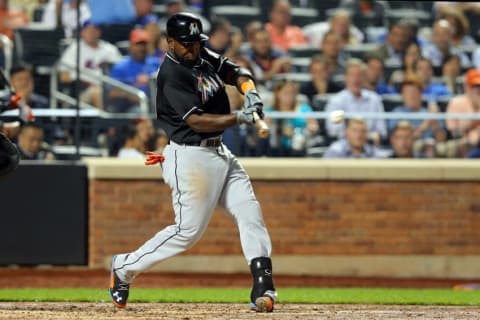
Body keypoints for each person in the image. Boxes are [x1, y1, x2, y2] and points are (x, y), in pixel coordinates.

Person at [108, 12, 277, 313]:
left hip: (219, 152)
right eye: (185, 44)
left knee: (249, 211)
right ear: (169, 42)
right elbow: (198, 122)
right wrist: (240, 117)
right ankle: (124, 267)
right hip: (190, 156)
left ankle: (263, 284)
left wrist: (251, 94)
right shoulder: (171, 75)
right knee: (188, 232)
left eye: (196, 43)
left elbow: (237, 73)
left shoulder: (200, 56)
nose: (193, 48)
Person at [59, 19, 123, 109]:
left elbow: (121, 70)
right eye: (88, 30)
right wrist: (87, 81)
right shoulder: (74, 49)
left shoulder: (109, 49)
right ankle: (106, 122)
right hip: (82, 92)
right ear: (82, 32)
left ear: (99, 32)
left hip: (110, 88)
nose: (91, 33)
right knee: (97, 93)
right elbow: (64, 77)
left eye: (94, 30)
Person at [325, 58, 387, 145]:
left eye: (359, 75)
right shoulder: (336, 101)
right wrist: (358, 137)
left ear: (364, 78)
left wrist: (366, 137)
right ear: (345, 78)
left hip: (370, 147)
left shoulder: (374, 99)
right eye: (352, 75)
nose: (356, 79)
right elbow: (334, 130)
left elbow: (381, 131)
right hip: (344, 147)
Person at [108, 29, 160, 113]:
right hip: (132, 106)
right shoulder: (121, 66)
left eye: (144, 44)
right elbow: (113, 92)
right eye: (138, 44)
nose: (142, 48)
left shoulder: (156, 63)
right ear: (131, 46)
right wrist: (132, 94)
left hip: (157, 102)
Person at [265, 79, 319, 156]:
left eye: (292, 93)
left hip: (300, 148)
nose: (290, 96)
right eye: (286, 93)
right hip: (275, 149)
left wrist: (299, 131)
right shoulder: (271, 112)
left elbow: (315, 127)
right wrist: (281, 129)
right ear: (278, 93)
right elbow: (263, 130)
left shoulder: (304, 109)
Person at [388, 75, 446, 142]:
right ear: (402, 95)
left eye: (414, 92)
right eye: (407, 92)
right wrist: (427, 121)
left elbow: (441, 140)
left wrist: (434, 122)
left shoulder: (430, 112)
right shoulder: (397, 113)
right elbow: (402, 141)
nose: (411, 95)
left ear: (421, 94)